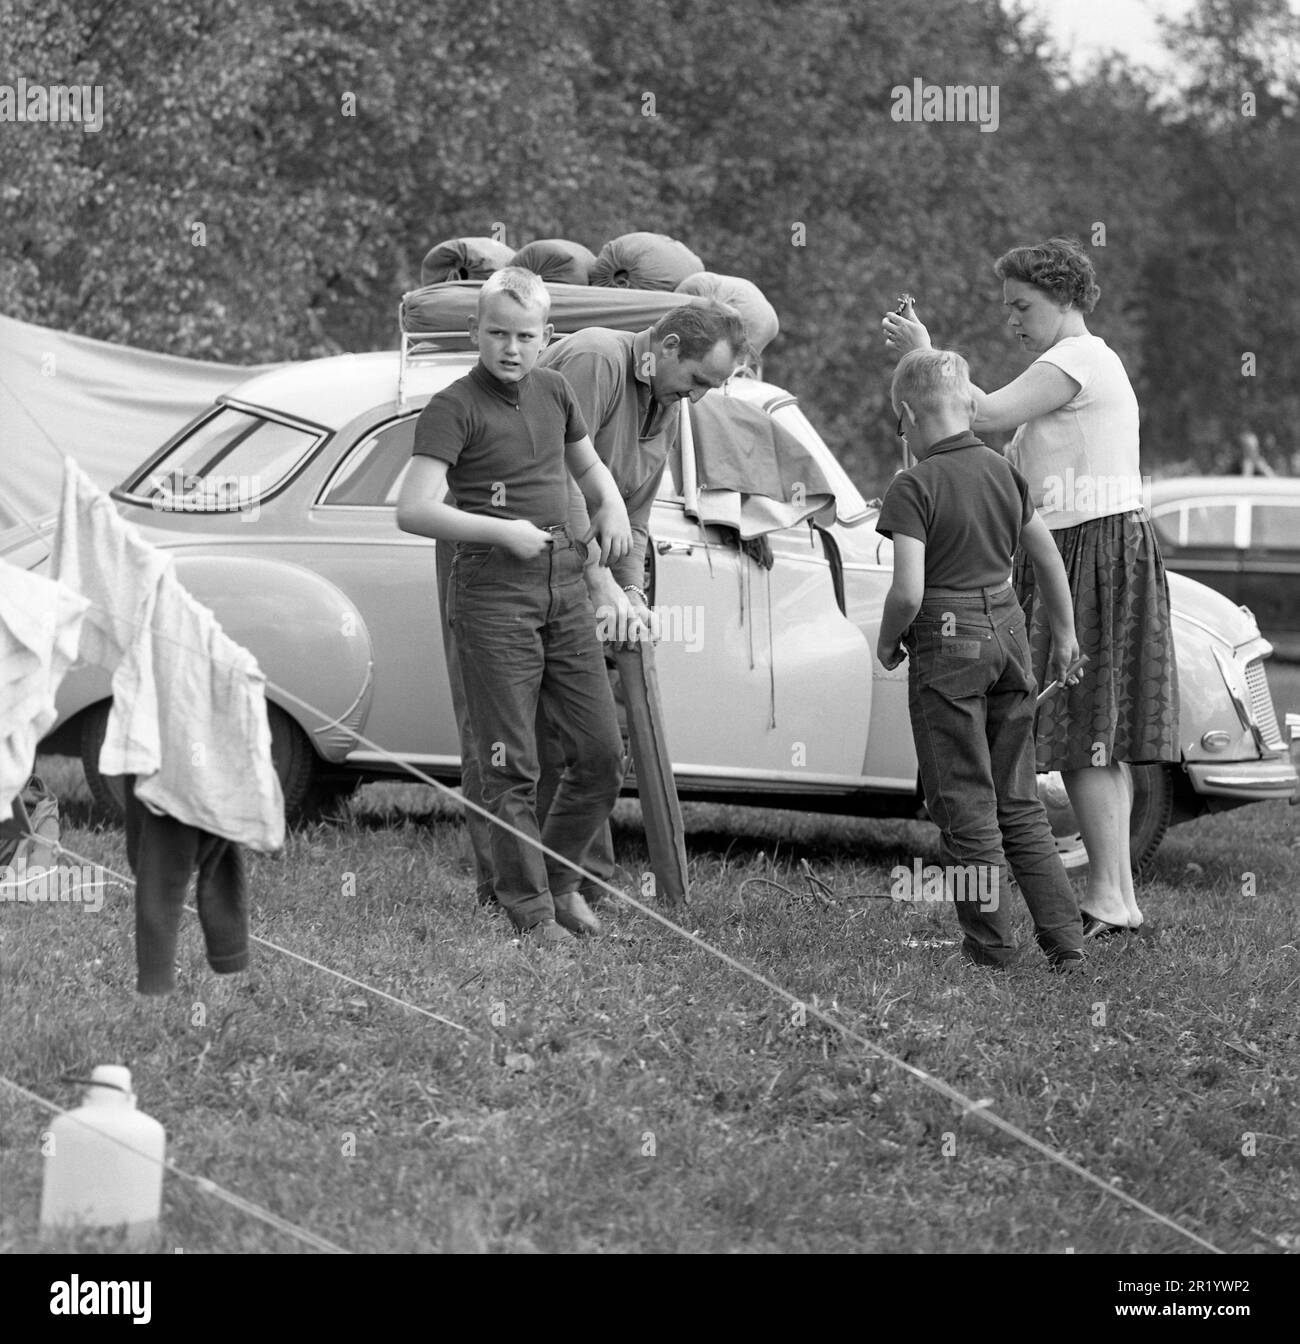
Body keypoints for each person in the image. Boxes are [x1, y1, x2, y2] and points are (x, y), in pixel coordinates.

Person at [883, 237, 1179, 936]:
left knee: (1086, 729)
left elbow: (977, 414)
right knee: (1087, 727)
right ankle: (1116, 894)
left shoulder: (1077, 357)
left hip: (1094, 548)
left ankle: (1112, 894)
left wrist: (926, 353)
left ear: (1066, 299)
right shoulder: (1066, 369)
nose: (1012, 321)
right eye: (1007, 308)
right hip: (1079, 544)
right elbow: (985, 461)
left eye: (1024, 305)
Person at [396, 267, 632, 946]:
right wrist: (502, 530)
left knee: (598, 756)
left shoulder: (557, 391)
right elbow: (413, 509)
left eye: (524, 336)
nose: (510, 348)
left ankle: (558, 879)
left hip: (566, 579)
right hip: (492, 588)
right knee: (509, 763)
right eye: (497, 333)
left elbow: (588, 469)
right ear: (475, 331)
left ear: (545, 336)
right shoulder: (453, 406)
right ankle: (529, 911)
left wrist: (611, 506)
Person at [876, 348, 1085, 971]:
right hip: (1010, 635)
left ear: (908, 414)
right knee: (1018, 800)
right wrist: (1067, 634)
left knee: (965, 801)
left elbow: (908, 590)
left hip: (948, 642)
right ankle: (1066, 945)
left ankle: (992, 947)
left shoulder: (913, 485)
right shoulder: (1001, 470)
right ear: (968, 404)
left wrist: (888, 640)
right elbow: (1045, 557)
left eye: (899, 425)